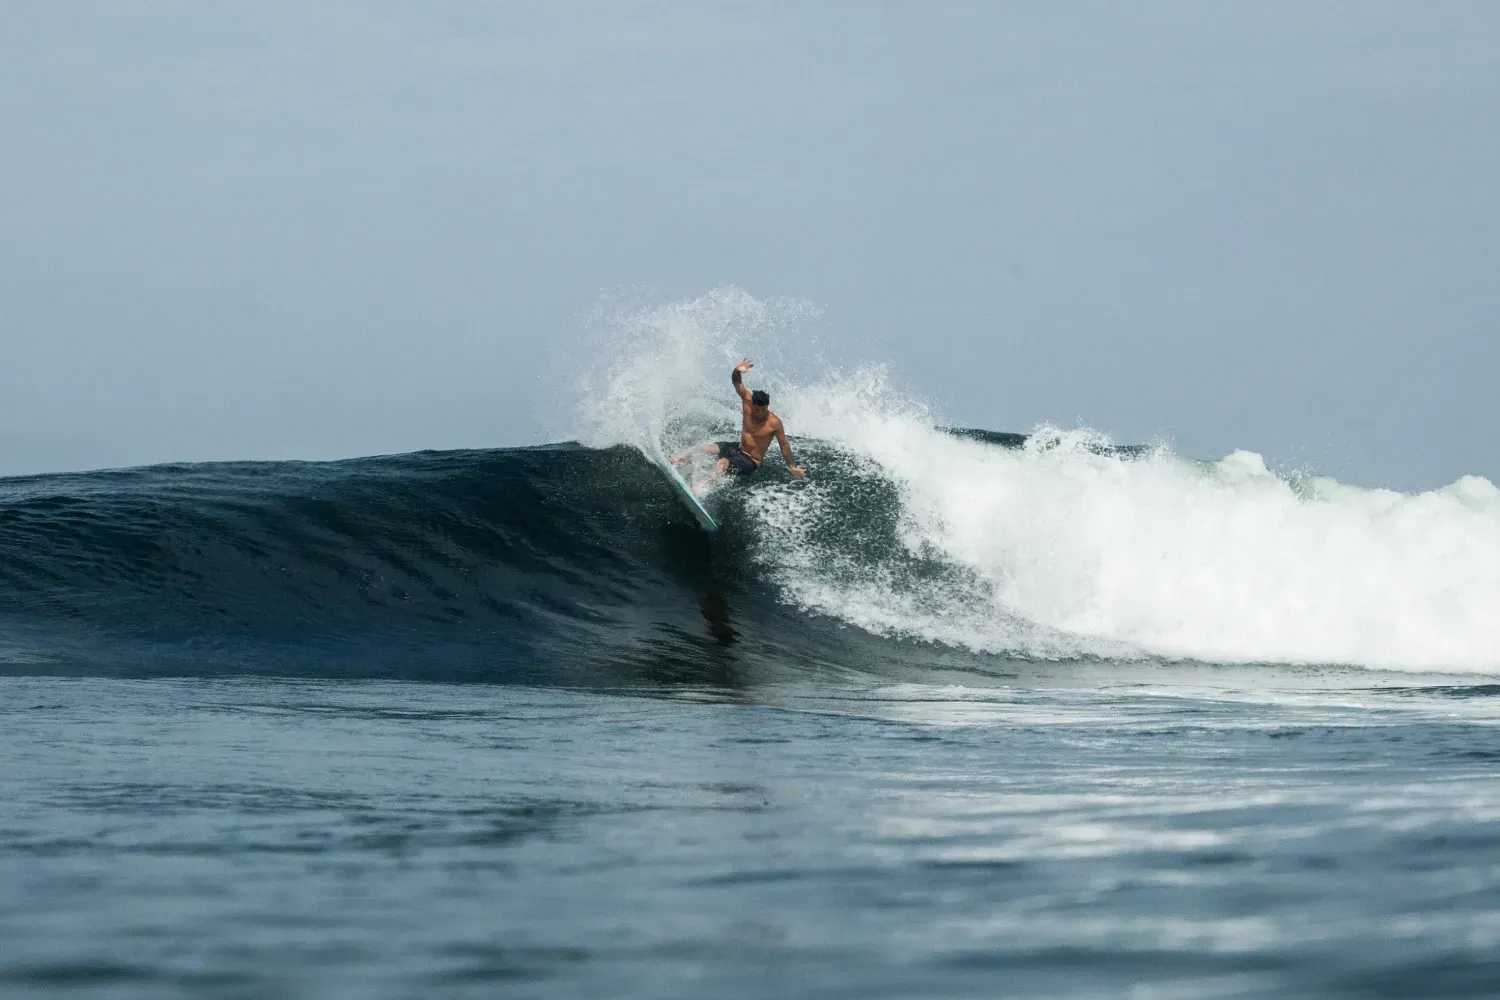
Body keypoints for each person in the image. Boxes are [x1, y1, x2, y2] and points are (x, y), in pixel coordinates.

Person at [676, 359, 807, 479]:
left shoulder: (774, 423)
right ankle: (677, 462)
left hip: (750, 461)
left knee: (721, 464)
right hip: (737, 449)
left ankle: (700, 490)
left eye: (764, 410)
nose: (760, 413)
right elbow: (736, 382)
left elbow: (784, 444)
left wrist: (792, 466)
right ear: (752, 404)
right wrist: (737, 370)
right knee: (704, 449)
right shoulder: (747, 401)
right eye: (757, 409)